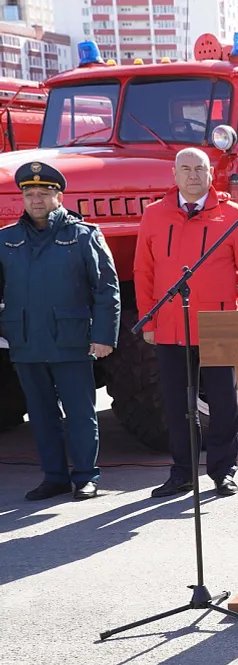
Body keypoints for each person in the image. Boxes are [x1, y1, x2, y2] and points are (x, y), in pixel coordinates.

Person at [134, 147, 238, 499]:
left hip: (219, 326)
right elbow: (143, 271)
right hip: (170, 326)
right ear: (174, 175)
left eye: (199, 169)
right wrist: (149, 319)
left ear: (210, 174)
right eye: (185, 169)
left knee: (223, 404)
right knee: (177, 406)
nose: (192, 175)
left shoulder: (233, 215)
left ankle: (224, 471)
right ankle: (183, 473)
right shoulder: (154, 215)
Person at [0, 161, 120, 501]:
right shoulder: (6, 239)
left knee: (80, 412)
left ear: (59, 197)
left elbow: (106, 289)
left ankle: (86, 476)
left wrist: (103, 336)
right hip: (25, 340)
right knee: (40, 414)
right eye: (30, 194)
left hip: (71, 339)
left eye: (44, 193)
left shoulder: (84, 236)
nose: (36, 200)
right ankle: (54, 477)